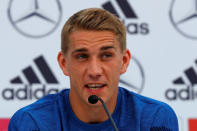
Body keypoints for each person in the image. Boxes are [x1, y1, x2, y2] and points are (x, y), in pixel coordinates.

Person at [8, 8, 179, 131]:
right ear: (63, 63)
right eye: (82, 56)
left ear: (124, 61)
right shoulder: (32, 122)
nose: (94, 71)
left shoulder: (155, 119)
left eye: (106, 56)